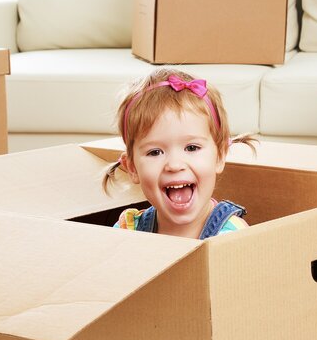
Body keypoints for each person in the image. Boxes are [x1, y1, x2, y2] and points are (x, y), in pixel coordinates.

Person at [103, 68, 257, 239]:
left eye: (191, 148)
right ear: (132, 168)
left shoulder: (231, 237)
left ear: (220, 156)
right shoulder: (128, 230)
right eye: (155, 152)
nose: (175, 165)